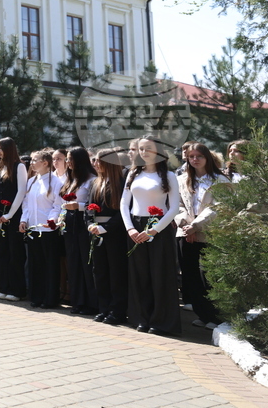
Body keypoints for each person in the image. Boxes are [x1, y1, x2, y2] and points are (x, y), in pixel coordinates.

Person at [121, 135, 181, 336]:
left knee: (160, 275)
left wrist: (154, 230)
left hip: (159, 228)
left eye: (148, 148)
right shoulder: (133, 174)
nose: (144, 152)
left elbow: (173, 207)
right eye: (141, 148)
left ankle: (161, 322)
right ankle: (141, 318)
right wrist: (130, 228)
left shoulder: (169, 176)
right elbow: (124, 204)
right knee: (139, 275)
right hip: (135, 228)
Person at [175, 142, 228, 330]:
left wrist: (196, 226)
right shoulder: (181, 180)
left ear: (207, 158)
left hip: (210, 232)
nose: (195, 159)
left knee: (209, 276)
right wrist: (186, 225)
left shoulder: (220, 180)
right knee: (190, 276)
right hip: (185, 232)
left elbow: (218, 207)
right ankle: (203, 314)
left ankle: (215, 316)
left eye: (199, 156)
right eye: (191, 157)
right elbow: (177, 205)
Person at [88, 148, 129, 325]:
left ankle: (117, 311)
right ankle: (103, 308)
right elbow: (89, 207)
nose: (96, 164)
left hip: (115, 233)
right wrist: (90, 224)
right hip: (96, 231)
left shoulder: (121, 182)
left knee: (116, 273)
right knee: (100, 272)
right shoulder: (95, 182)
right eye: (95, 160)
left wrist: (106, 228)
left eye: (99, 160)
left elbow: (124, 210)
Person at [21, 149, 63, 308]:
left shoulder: (55, 182)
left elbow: (58, 205)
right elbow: (26, 203)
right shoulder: (32, 181)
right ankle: (36, 296)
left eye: (34, 160)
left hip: (48, 230)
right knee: (35, 264)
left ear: (45, 163)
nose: (31, 163)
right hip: (33, 228)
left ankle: (50, 298)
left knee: (49, 265)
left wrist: (51, 221)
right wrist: (24, 220)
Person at [61, 147, 98, 315]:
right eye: (67, 159)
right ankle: (78, 301)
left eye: (70, 159)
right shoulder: (71, 179)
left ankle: (91, 303)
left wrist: (79, 206)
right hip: (70, 222)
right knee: (73, 262)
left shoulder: (92, 180)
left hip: (84, 223)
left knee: (86, 263)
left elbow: (94, 205)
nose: (67, 162)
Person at [0, 137, 27, 302]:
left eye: (0, 148)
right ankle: (5, 287)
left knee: (15, 253)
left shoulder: (19, 167)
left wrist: (10, 214)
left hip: (13, 215)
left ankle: (17, 290)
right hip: (0, 215)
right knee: (3, 251)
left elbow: (21, 191)